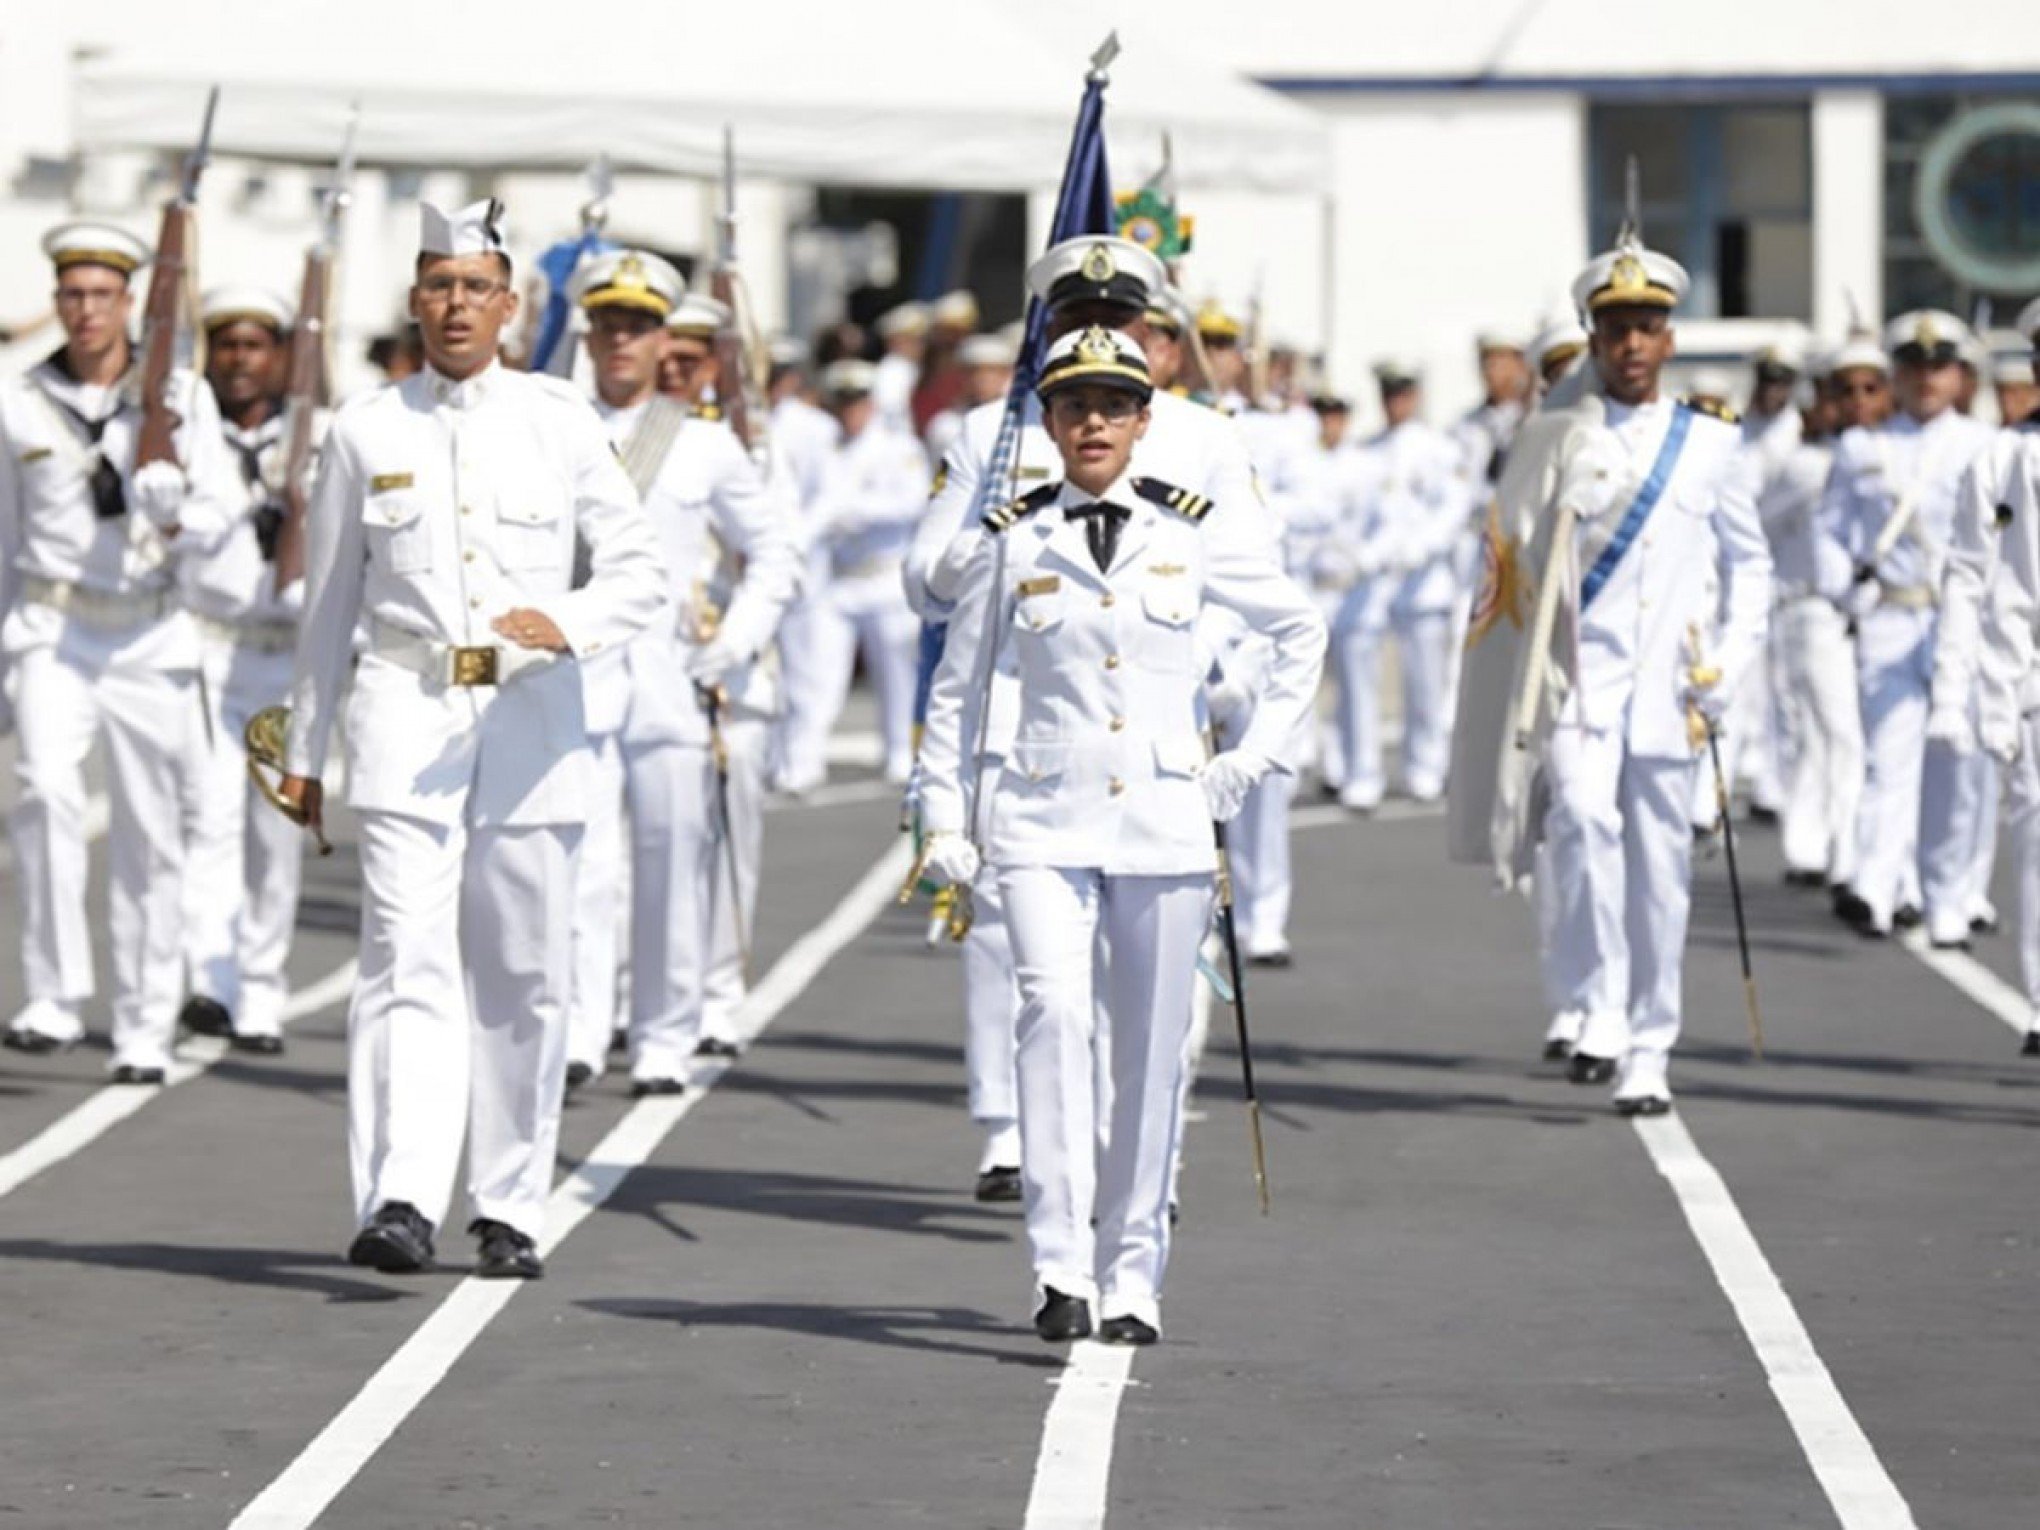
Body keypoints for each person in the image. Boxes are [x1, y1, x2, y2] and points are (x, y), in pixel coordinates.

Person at [914, 325, 1324, 1343]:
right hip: (1042, 818)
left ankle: (1133, 1271)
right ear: (1047, 424)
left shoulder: (1190, 533)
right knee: (1051, 1018)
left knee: (1151, 1051)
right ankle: (1059, 1265)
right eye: (1072, 405)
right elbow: (956, 695)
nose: (1092, 421)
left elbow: (1299, 632)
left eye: (1112, 405)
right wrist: (940, 819)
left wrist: (1251, 757)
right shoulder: (1010, 537)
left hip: (1166, 816)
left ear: (1145, 422)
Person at [280, 200, 665, 1278]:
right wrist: (304, 753)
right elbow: (326, 605)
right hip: (406, 713)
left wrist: (573, 623)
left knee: (523, 968)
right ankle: (400, 1193)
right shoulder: (366, 429)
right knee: (404, 958)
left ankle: (508, 1202)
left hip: (533, 714)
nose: (456, 305)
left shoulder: (558, 419)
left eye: (475, 287)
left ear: (510, 305)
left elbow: (636, 568)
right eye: (438, 285)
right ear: (415, 300)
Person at [903, 235, 1268, 1200]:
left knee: (1157, 972)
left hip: (1152, 722)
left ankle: (1146, 1154)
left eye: (1118, 324)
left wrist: (1227, 686)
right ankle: (1011, 1132)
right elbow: (924, 581)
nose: (1097, 338)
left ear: (1150, 336)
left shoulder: (1206, 436)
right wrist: (992, 535)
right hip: (1017, 726)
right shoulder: (993, 433)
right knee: (1017, 955)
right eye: (1075, 320)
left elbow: (1252, 589)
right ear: (1049, 328)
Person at [1522, 228, 1771, 1112]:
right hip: (1583, 684)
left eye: (1648, 326)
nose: (1632, 343)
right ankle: (1599, 1005)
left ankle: (1652, 1043)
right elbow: (1511, 569)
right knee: (1585, 827)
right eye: (1616, 326)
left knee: (1662, 872)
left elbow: (1753, 568)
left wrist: (1729, 665)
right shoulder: (1555, 436)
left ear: (1670, 338)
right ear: (1592, 338)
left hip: (1670, 690)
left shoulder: (1709, 443)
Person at [0, 221, 238, 1078]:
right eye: (72, 293)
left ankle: (142, 1025)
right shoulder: (18, 400)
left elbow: (221, 519)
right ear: (56, 300)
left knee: (149, 832)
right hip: (52, 627)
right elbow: (3, 535)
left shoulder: (176, 396)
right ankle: (54, 996)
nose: (87, 309)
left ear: (131, 300)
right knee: (45, 793)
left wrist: (175, 511)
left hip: (149, 629)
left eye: (103, 294)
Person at [562, 253, 799, 1092]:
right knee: (582, 864)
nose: (620, 339)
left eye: (637, 326)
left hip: (668, 670)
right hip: (575, 671)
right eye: (607, 324)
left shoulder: (701, 445)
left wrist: (733, 642)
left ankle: (663, 1036)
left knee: (670, 861)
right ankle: (582, 1031)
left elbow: (775, 553)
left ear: (664, 339)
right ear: (587, 334)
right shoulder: (551, 425)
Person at [1820, 312, 1997, 944]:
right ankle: (1875, 884)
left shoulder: (1984, 445)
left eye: (1939, 367)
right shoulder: (1863, 447)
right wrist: (1847, 594)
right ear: (1897, 373)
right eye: (1915, 368)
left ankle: (1948, 895)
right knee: (1888, 755)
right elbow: (1831, 532)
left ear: (1959, 376)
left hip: (1962, 623)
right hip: (1891, 614)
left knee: (1959, 761)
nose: (1926, 379)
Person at [176, 286, 310, 1054]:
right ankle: (211, 980)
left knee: (277, 829)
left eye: (255, 345)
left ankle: (261, 987)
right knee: (209, 819)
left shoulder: (316, 434)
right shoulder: (186, 431)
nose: (238, 359)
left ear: (283, 356)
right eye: (226, 343)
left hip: (284, 657)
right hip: (209, 643)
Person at [1948, 298, 2040, 1049]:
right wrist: (1971, 699)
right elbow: (1970, 582)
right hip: (2033, 682)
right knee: (2038, 842)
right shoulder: (2003, 460)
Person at [1345, 359, 1472, 807]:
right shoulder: (1364, 451)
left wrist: (1423, 547)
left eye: (1401, 394)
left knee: (1425, 686)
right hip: (1374, 584)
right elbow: (1352, 514)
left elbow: (1454, 507)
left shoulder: (1438, 448)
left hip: (1423, 582)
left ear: (1414, 396)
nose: (1394, 403)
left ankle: (1426, 766)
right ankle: (1362, 772)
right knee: (1360, 684)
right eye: (1388, 395)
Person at [763, 338, 844, 797]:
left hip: (801, 561)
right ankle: (773, 756)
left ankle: (804, 759)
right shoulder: (738, 419)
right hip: (750, 560)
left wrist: (795, 540)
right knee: (761, 670)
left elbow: (828, 497)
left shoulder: (813, 427)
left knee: (804, 668)